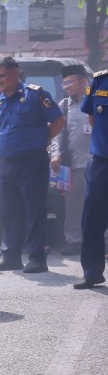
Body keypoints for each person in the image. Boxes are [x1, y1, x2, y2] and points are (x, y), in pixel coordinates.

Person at [0, 56, 65, 274]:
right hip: (7, 163)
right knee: (8, 210)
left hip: (32, 161)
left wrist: (43, 141)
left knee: (34, 210)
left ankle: (37, 258)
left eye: (2, 75)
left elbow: (58, 120)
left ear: (15, 73)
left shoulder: (35, 94)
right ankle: (10, 256)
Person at [50, 65, 92, 256]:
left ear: (83, 81)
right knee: (73, 206)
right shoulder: (64, 106)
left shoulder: (98, 101)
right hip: (73, 164)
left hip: (97, 163)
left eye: (70, 82)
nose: (66, 86)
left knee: (100, 203)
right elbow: (57, 135)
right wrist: (55, 154)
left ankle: (103, 241)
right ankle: (74, 241)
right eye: (64, 83)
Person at [75, 68, 108, 288]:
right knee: (92, 219)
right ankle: (92, 272)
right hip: (102, 160)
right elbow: (92, 116)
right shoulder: (100, 81)